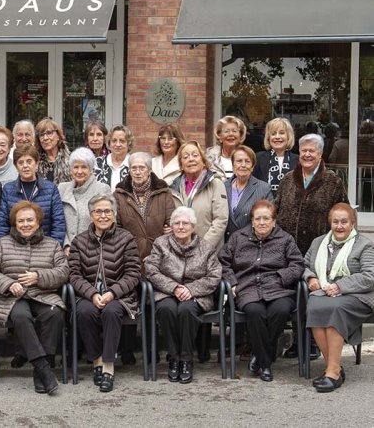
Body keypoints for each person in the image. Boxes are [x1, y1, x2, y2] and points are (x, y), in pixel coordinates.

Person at [0, 201, 68, 395]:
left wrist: (39, 276)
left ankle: (40, 369)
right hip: (12, 298)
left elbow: (63, 272)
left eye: (30, 220)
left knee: (54, 314)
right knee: (21, 316)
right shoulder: (2, 243)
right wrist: (8, 284)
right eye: (20, 221)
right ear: (14, 223)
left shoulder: (52, 244)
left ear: (38, 222)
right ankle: (43, 368)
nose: (25, 224)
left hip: (43, 295)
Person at [276, 134, 347, 361]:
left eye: (312, 151)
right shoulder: (288, 179)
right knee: (294, 296)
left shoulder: (333, 181)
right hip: (288, 250)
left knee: (313, 295)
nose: (307, 155)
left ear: (320, 154)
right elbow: (277, 209)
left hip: (318, 251)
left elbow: (341, 214)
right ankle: (298, 341)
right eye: (304, 150)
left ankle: (314, 343)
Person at [219, 200, 303, 382]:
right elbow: (223, 262)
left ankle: (258, 355)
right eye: (258, 219)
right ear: (252, 221)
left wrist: (281, 277)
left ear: (274, 221)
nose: (262, 222)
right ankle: (265, 364)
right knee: (255, 312)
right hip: (247, 288)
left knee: (280, 310)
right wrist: (232, 283)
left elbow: (297, 264)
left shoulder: (285, 239)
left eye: (266, 218)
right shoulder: (238, 237)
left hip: (278, 288)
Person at [68, 193, 141, 392]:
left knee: (111, 311)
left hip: (119, 296)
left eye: (107, 211)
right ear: (91, 215)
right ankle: (97, 360)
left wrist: (112, 293)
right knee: (85, 312)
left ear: (114, 214)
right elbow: (74, 274)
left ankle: (108, 366)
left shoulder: (126, 238)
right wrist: (92, 294)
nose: (103, 216)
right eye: (98, 211)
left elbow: (133, 273)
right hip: (88, 295)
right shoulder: (79, 241)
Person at [145, 207, 222, 384]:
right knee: (166, 309)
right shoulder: (161, 243)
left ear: (193, 226)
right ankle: (174, 358)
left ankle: (186, 359)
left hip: (196, 294)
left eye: (185, 223)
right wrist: (174, 288)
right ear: (171, 226)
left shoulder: (206, 247)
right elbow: (151, 270)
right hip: (166, 292)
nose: (181, 227)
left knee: (186, 310)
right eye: (177, 223)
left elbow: (214, 275)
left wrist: (191, 289)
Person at [304, 203, 374, 392]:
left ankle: (332, 372)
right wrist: (310, 277)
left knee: (334, 309)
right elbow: (304, 265)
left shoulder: (364, 245)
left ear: (352, 223)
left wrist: (340, 286)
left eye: (344, 222)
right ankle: (334, 368)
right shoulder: (318, 242)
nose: (339, 226)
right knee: (314, 307)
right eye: (335, 222)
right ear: (330, 223)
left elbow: (370, 276)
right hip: (324, 292)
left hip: (357, 295)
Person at [114, 152, 176, 264]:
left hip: (159, 256)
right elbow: (116, 228)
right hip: (129, 256)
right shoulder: (119, 194)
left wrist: (158, 253)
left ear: (149, 170)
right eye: (134, 168)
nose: (138, 172)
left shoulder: (163, 192)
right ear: (129, 170)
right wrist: (127, 251)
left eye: (142, 168)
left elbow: (172, 226)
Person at [0, 145, 66, 243]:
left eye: (29, 161)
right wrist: (5, 246)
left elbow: (58, 222)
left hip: (45, 245)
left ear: (37, 164)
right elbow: (2, 223)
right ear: (16, 167)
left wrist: (53, 247)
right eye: (21, 162)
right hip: (15, 246)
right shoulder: (8, 190)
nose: (25, 166)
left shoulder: (51, 189)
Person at [169, 141, 229, 251]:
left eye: (195, 155)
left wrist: (202, 248)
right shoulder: (173, 188)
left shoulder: (215, 184)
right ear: (181, 165)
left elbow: (220, 220)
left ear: (203, 161)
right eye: (185, 157)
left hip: (208, 251)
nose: (191, 159)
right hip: (180, 250)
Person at [58, 148, 109, 252]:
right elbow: (57, 221)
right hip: (66, 251)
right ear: (71, 169)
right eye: (76, 167)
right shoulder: (62, 189)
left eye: (84, 167)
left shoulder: (102, 189)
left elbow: (107, 224)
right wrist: (66, 245)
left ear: (91, 169)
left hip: (93, 251)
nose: (79, 171)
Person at [224, 145, 273, 242]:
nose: (243, 165)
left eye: (247, 161)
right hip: (226, 244)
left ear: (252, 167)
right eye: (239, 161)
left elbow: (269, 218)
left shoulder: (263, 188)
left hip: (252, 243)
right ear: (233, 165)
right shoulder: (223, 187)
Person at [253, 117, 298, 193]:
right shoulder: (258, 158)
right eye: (273, 134)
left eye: (281, 133)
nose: (277, 137)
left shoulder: (299, 160)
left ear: (288, 136)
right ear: (268, 138)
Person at [35, 117, 71, 185]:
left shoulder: (70, 160)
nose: (45, 138)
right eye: (41, 135)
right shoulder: (35, 162)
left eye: (49, 133)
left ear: (58, 136)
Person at [97, 125, 132, 191]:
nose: (118, 144)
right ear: (109, 143)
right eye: (114, 141)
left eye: (122, 141)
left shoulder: (134, 164)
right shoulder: (98, 163)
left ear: (128, 143)